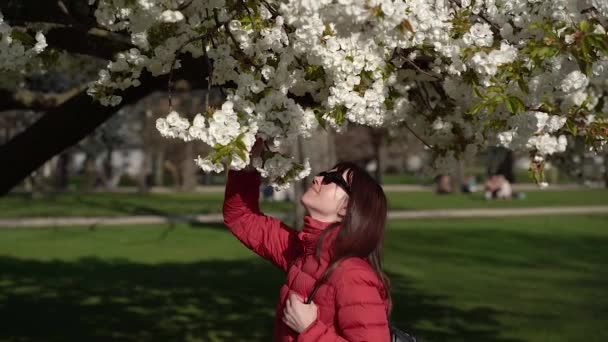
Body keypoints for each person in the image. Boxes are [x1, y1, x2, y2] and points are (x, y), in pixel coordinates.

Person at [223, 139, 391, 341]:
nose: (320, 178)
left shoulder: (353, 276)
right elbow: (241, 217)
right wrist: (248, 163)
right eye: (325, 173)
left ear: (347, 208)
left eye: (334, 179)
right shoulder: (302, 251)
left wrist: (310, 329)